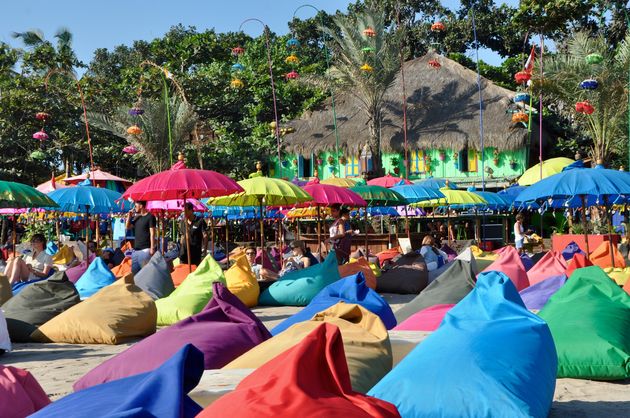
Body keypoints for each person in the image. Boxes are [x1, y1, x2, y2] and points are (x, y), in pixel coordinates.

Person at [126, 201, 156, 273]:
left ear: (141, 206)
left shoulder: (150, 217)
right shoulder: (137, 218)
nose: (134, 208)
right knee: (134, 272)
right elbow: (127, 227)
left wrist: (152, 248)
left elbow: (152, 233)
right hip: (136, 250)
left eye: (135, 206)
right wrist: (129, 216)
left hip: (146, 249)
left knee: (145, 272)